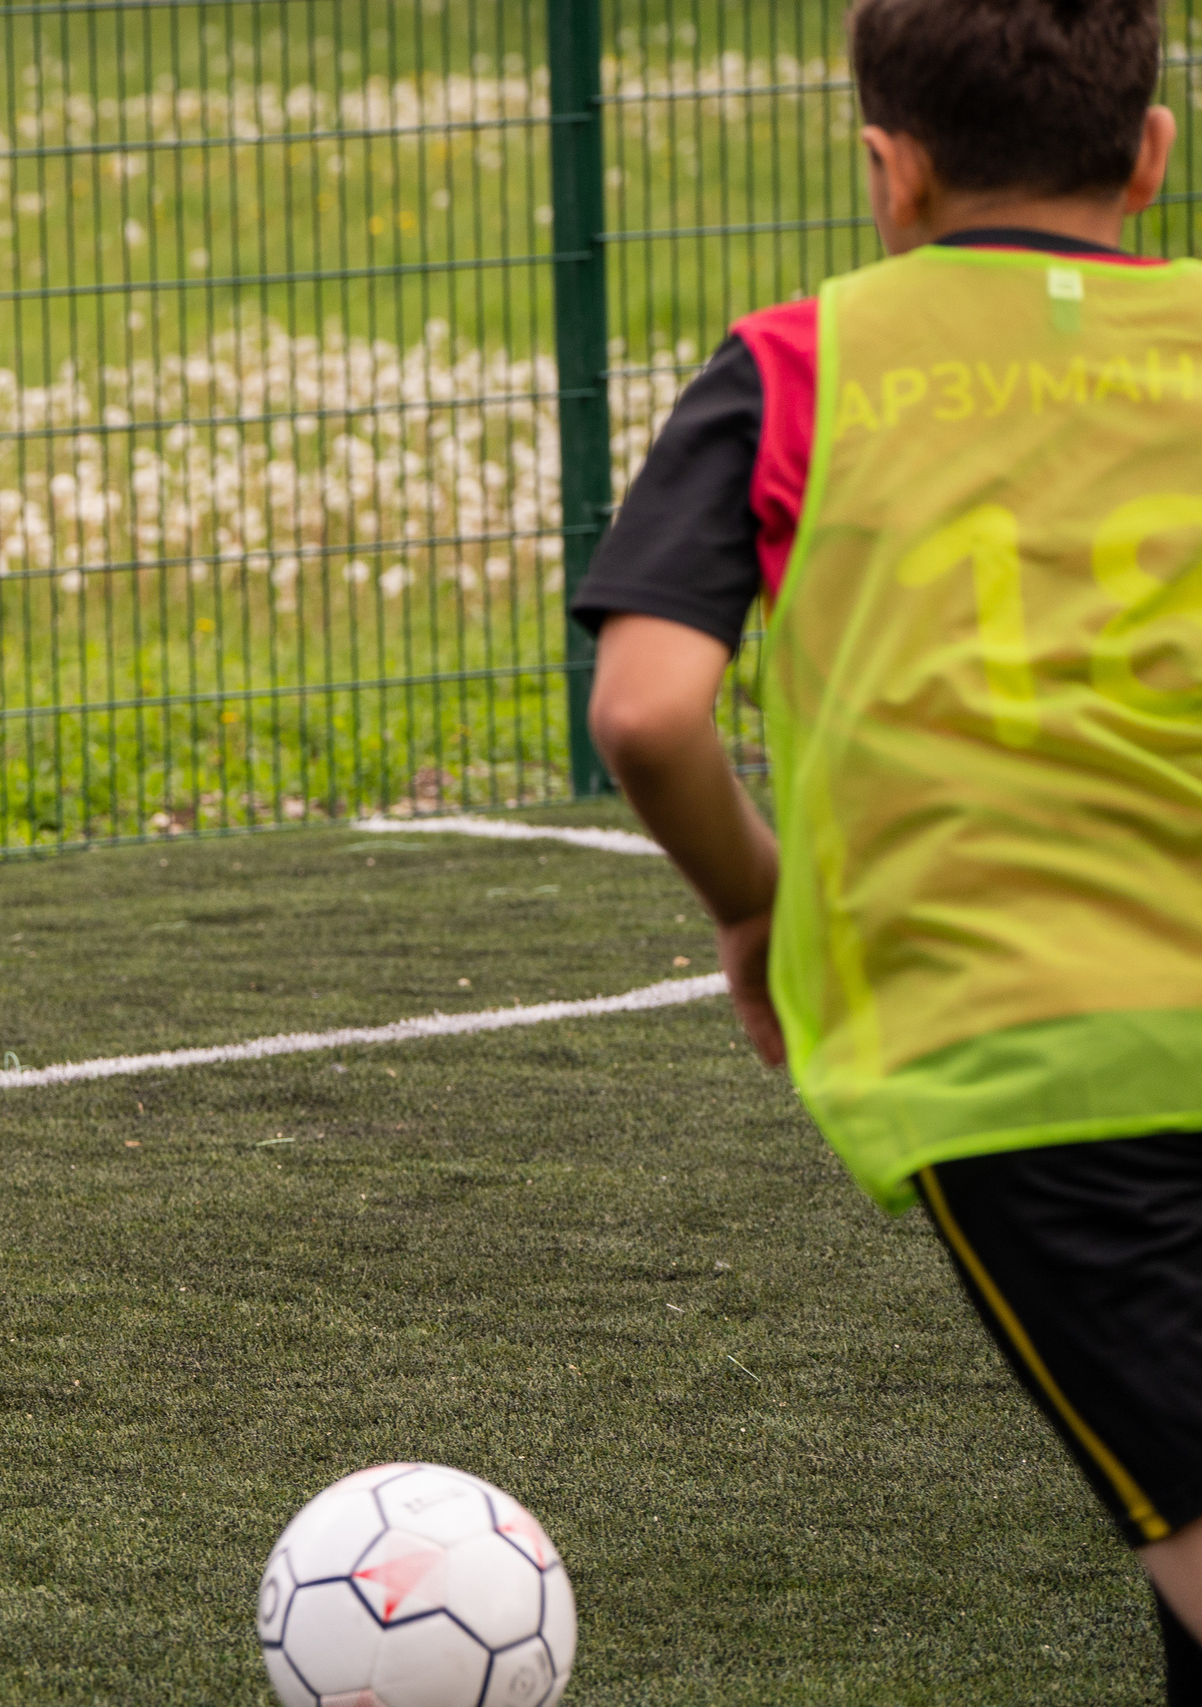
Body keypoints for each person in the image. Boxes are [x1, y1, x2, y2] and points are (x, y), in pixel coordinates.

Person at [577, 0, 1202, 1696]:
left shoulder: (800, 362)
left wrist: (756, 903)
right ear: (1152, 156)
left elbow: (648, 709)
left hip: (1034, 1064)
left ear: (889, 169)